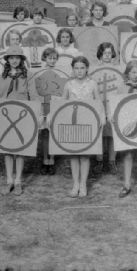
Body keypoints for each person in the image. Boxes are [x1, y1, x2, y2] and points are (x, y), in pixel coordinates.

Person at [62, 56, 102, 198]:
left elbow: (98, 103)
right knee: (74, 154)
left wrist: (101, 117)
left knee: (85, 154)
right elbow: (62, 104)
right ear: (73, 69)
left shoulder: (92, 84)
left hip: (88, 121)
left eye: (82, 68)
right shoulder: (69, 84)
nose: (79, 71)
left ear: (87, 69)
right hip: (73, 122)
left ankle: (83, 184)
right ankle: (75, 184)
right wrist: (51, 116)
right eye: (76, 68)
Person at [0, 46, 31, 196]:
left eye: (17, 57)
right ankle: (9, 180)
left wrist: (38, 113)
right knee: (7, 150)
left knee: (20, 149)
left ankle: (18, 181)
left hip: (23, 114)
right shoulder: (3, 76)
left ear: (21, 60)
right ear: (7, 60)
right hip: (6, 115)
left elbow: (33, 95)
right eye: (11, 57)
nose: (14, 60)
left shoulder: (28, 75)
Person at [119, 60, 137, 198]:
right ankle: (126, 185)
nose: (136, 75)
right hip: (127, 125)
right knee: (128, 154)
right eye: (133, 72)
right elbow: (116, 106)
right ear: (127, 73)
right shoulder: (121, 88)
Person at [94, 42, 119, 174]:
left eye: (109, 53)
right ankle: (99, 160)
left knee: (112, 134)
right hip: (99, 104)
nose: (107, 56)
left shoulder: (117, 69)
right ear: (100, 54)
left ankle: (111, 160)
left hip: (112, 104)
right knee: (100, 133)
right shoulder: (94, 70)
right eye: (105, 53)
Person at [34, 47, 60, 175]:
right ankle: (45, 160)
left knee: (53, 134)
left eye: (55, 58)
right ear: (45, 58)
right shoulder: (39, 72)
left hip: (54, 106)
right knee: (45, 134)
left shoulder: (60, 72)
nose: (52, 60)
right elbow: (36, 90)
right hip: (43, 106)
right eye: (50, 58)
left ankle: (53, 160)